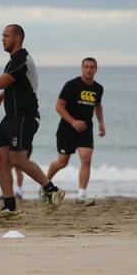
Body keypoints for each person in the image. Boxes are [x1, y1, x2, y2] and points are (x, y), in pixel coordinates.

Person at [0, 24, 65, 219]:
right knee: (0, 158)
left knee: (17, 159)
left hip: (25, 116)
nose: (3, 39)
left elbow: (0, 81)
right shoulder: (13, 61)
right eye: (2, 36)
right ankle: (10, 206)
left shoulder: (21, 58)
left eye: (6, 36)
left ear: (18, 38)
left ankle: (52, 189)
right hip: (10, 118)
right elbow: (15, 83)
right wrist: (3, 94)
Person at [44, 57, 105, 206]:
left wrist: (101, 123)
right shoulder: (72, 85)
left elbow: (98, 106)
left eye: (92, 67)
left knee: (86, 158)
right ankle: (45, 184)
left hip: (85, 129)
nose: (89, 69)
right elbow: (59, 106)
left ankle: (81, 194)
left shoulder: (98, 88)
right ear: (82, 68)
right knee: (62, 162)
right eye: (86, 67)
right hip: (67, 129)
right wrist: (73, 122)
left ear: (96, 69)